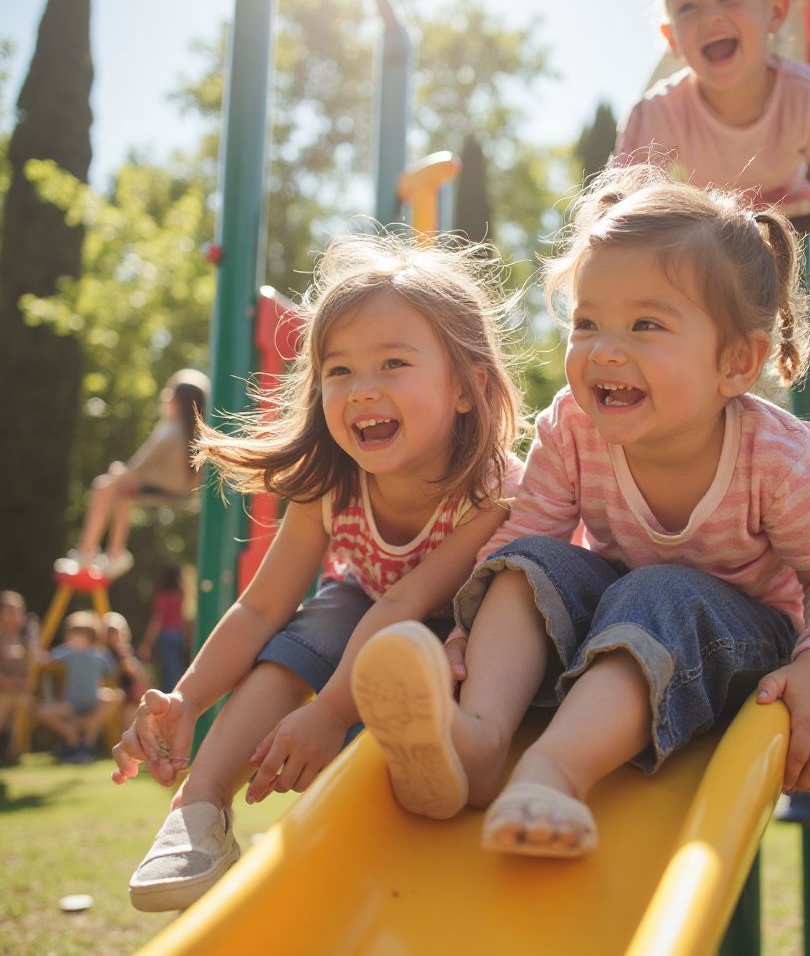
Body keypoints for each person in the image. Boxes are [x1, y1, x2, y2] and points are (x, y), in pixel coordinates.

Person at [351, 164, 810, 858]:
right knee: (532, 560)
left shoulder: (781, 460)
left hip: (740, 646)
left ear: (737, 364)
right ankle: (478, 735)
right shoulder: (572, 427)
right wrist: (466, 639)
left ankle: (552, 773)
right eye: (586, 322)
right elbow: (522, 540)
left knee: (655, 591)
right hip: (620, 623)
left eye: (646, 324)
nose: (604, 350)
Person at [111, 231, 524, 911]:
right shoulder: (329, 486)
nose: (362, 390)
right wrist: (187, 698)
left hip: (464, 627)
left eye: (393, 363)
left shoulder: (492, 489)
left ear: (466, 386)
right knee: (315, 623)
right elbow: (259, 608)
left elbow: (411, 604)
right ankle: (201, 805)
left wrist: (331, 714)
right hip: (362, 606)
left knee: (374, 619)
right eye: (339, 370)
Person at [616, 0, 810, 217]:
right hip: (717, 221)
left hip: (792, 212)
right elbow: (623, 205)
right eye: (687, 6)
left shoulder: (806, 95)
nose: (709, 16)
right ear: (672, 38)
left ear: (776, 10)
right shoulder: (661, 112)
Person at [60, 369, 210, 580]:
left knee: (103, 486)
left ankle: (87, 551)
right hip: (175, 490)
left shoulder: (170, 430)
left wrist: (120, 472)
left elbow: (139, 465)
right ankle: (114, 552)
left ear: (178, 401)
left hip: (166, 489)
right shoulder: (193, 431)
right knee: (123, 494)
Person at [35, 611, 122, 764]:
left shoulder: (99, 654)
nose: (75, 638)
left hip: (93, 699)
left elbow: (113, 670)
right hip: (72, 703)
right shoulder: (69, 651)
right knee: (42, 712)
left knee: (115, 696)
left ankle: (88, 737)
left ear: (89, 635)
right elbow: (46, 660)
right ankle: (72, 737)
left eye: (79, 634)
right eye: (73, 634)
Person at [0, 591, 41, 764]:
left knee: (23, 703)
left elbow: (34, 663)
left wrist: (32, 636)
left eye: (17, 611)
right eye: (8, 611)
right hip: (2, 691)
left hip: (21, 691)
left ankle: (13, 753)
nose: (13, 616)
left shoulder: (26, 638)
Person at [138, 565, 190, 691]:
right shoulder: (179, 595)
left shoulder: (161, 596)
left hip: (166, 635)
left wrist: (147, 642)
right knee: (176, 667)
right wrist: (186, 635)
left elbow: (157, 620)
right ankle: (178, 692)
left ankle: (169, 696)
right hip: (177, 634)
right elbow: (182, 617)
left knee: (168, 669)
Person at [103, 612, 150, 731]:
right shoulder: (105, 654)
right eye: (111, 634)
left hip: (130, 693)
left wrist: (132, 668)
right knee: (126, 711)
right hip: (117, 691)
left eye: (117, 633)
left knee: (133, 710)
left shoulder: (126, 652)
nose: (115, 638)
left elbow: (138, 674)